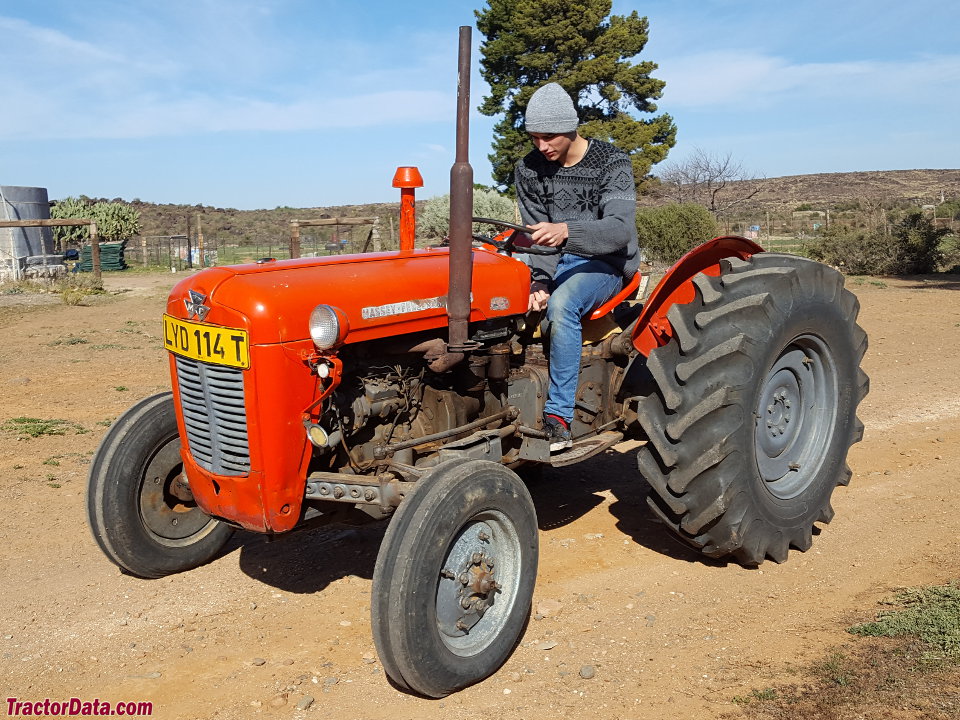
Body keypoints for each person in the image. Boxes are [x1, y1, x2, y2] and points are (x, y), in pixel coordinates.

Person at [515, 82, 640, 451]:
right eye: (535, 137)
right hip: (555, 259)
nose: (542, 146)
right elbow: (537, 234)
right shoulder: (529, 169)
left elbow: (619, 231)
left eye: (549, 136)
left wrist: (566, 232)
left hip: (606, 262)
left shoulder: (611, 162)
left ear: (571, 128)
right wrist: (539, 280)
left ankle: (558, 418)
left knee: (562, 304)